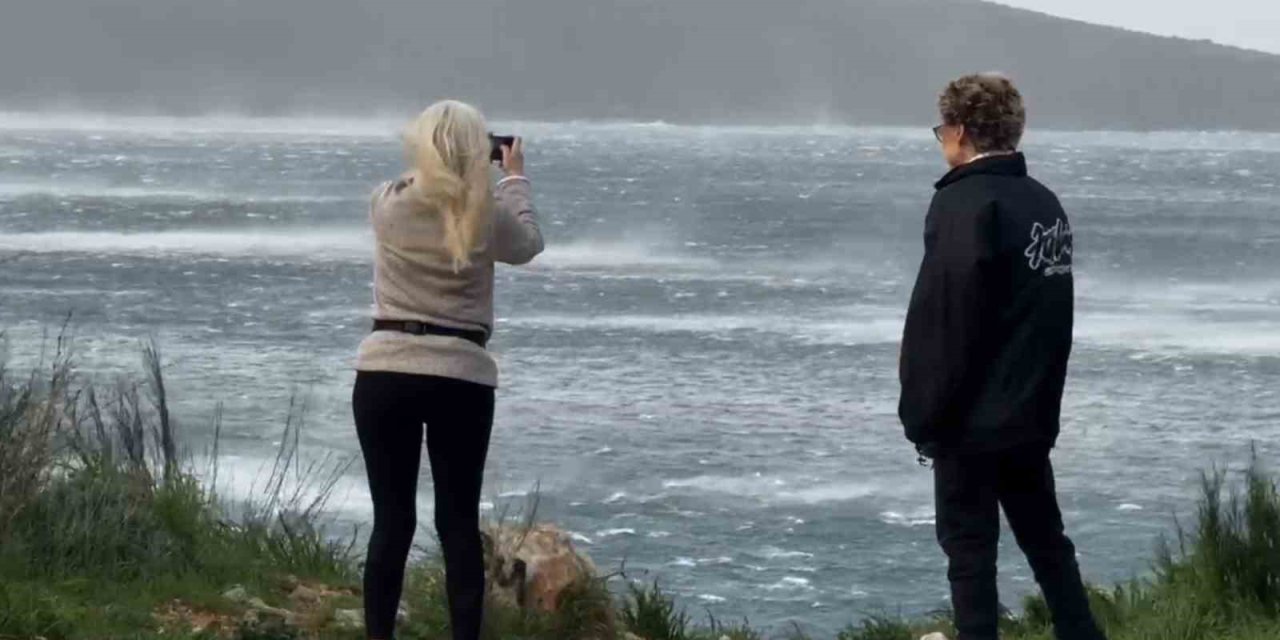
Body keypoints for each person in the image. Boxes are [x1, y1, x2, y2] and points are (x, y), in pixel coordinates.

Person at [898, 74, 1106, 640]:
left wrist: (922, 415)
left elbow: (945, 318)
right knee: (1046, 542)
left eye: (943, 129)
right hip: (1031, 413)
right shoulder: (1043, 202)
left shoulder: (962, 202)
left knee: (969, 554)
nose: (942, 140)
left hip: (969, 421)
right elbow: (1050, 318)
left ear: (961, 130)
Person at [352, 100, 544, 640]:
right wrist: (513, 179)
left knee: (392, 522)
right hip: (461, 378)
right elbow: (528, 244)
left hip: (385, 373)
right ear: (475, 150)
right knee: (456, 523)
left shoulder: (387, 203)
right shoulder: (485, 213)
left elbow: (422, 188)